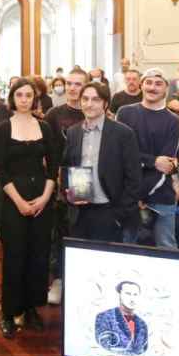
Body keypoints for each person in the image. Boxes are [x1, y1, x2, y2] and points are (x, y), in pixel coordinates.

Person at [0, 79, 58, 339]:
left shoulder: (44, 126)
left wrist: (44, 198)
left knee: (39, 256)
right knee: (14, 257)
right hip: (13, 199)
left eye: (28, 95)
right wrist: (19, 202)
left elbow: (54, 165)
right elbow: (0, 169)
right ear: (12, 98)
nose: (23, 99)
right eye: (19, 94)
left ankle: (31, 308)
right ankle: (9, 312)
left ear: (35, 98)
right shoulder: (3, 127)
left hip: (42, 197)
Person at [62, 82, 142, 243]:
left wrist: (118, 215)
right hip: (80, 211)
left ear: (105, 103)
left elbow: (134, 178)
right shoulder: (73, 132)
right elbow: (67, 167)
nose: (89, 104)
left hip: (109, 211)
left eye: (95, 100)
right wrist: (69, 194)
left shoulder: (123, 133)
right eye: (85, 99)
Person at [117, 68, 179, 249]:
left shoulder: (173, 120)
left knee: (167, 246)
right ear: (141, 85)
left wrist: (142, 195)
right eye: (149, 82)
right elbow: (121, 155)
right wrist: (153, 161)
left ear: (166, 89)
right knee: (126, 245)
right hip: (129, 192)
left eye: (158, 83)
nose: (153, 88)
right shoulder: (125, 113)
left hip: (161, 192)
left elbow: (166, 166)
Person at [44, 68, 88, 305]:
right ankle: (59, 279)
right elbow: (48, 150)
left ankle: (82, 280)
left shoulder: (95, 110)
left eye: (78, 84)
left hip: (86, 176)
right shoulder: (54, 114)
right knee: (61, 232)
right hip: (61, 176)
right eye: (69, 83)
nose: (72, 88)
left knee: (84, 230)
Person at [95, 280, 148, 355]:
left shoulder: (142, 324)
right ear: (119, 295)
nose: (132, 298)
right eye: (128, 294)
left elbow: (143, 351)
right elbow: (103, 348)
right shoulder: (104, 317)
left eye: (135, 294)